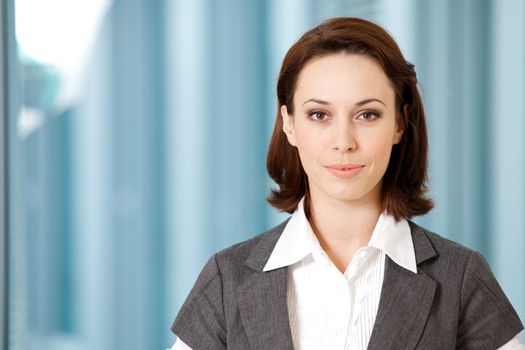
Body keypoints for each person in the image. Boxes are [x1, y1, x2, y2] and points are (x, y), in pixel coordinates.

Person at [169, 17, 524, 349]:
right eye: (319, 115)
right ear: (289, 124)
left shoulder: (460, 278)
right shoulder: (226, 278)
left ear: (400, 124)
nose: (344, 141)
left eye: (367, 114)